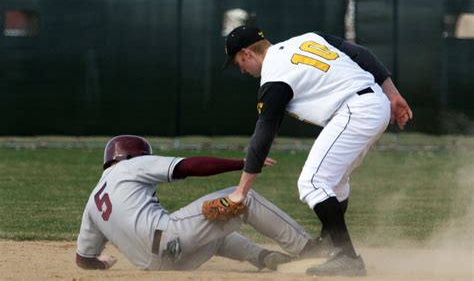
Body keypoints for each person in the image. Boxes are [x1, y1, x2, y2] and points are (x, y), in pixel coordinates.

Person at [219, 25, 413, 276]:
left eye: (238, 63)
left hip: (356, 110)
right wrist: (393, 94)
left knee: (312, 182)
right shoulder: (307, 39)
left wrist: (240, 192)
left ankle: (346, 256)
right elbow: (361, 54)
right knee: (334, 182)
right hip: (374, 102)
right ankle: (330, 243)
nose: (242, 70)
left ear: (246, 54)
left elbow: (263, 134)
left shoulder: (274, 78)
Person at [75, 135, 323, 272]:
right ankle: (309, 249)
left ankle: (264, 257)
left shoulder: (92, 203)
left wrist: (102, 264)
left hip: (159, 267)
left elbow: (84, 260)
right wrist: (241, 163)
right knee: (242, 198)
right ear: (135, 156)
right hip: (168, 237)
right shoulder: (131, 165)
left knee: (214, 231)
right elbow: (188, 166)